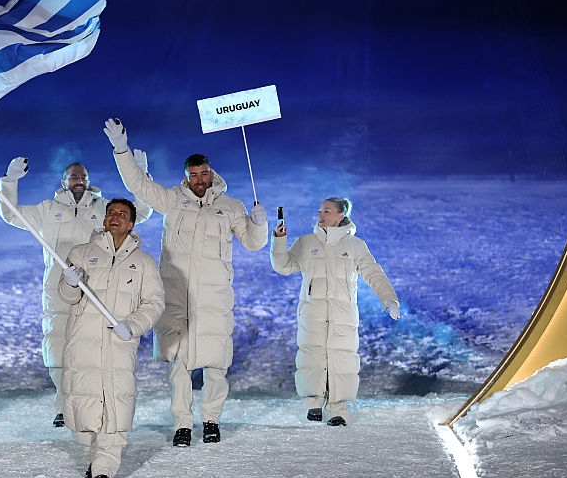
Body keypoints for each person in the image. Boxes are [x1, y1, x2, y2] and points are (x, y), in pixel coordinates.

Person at [103, 119, 268, 447]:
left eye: (204, 174)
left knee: (215, 360)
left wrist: (259, 223)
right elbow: (139, 186)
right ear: (186, 176)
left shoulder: (230, 206)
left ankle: (211, 420)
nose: (199, 180)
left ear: (211, 173)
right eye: (193, 175)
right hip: (177, 293)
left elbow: (253, 243)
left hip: (214, 295)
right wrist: (121, 150)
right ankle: (182, 423)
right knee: (178, 359)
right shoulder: (172, 201)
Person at [0, 157, 151, 428]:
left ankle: (92, 405)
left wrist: (142, 176)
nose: (78, 182)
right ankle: (63, 404)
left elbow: (142, 211)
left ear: (89, 182)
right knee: (58, 350)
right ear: (63, 182)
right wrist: (10, 182)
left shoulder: (105, 209)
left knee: (90, 351)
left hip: (97, 290)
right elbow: (11, 213)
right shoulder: (48, 209)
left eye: (83, 178)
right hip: (58, 288)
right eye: (73, 177)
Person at [58, 198, 165, 478]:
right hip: (84, 344)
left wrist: (132, 325)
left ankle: (104, 469)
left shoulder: (143, 262)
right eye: (110, 213)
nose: (114, 217)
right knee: (84, 407)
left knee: (116, 406)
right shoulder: (81, 253)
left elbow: (155, 302)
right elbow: (67, 297)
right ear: (104, 219)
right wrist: (69, 281)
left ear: (131, 223)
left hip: (119, 344)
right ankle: (92, 456)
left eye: (122, 214)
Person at [270, 197, 400, 426]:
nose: (321, 215)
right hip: (313, 312)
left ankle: (338, 409)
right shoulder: (305, 242)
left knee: (342, 359)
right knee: (312, 356)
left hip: (343, 314)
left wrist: (389, 298)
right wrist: (279, 241)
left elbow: (373, 272)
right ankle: (314, 404)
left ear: (341, 215)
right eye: (320, 211)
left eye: (327, 211)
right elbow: (283, 266)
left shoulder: (355, 246)